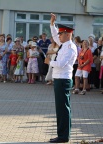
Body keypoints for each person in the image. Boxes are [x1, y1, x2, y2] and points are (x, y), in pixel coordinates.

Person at [44, 13, 77, 143]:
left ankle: (63, 136)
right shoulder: (64, 44)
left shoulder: (70, 47)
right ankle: (62, 134)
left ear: (67, 35)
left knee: (63, 108)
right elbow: (54, 35)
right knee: (61, 108)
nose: (58, 36)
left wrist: (49, 62)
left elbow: (61, 64)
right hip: (59, 79)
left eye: (61, 34)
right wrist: (52, 24)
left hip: (63, 79)